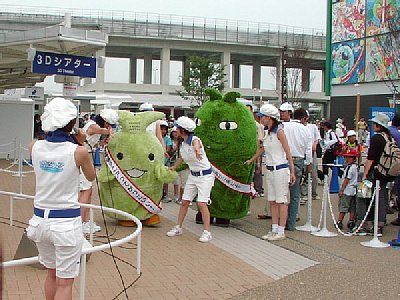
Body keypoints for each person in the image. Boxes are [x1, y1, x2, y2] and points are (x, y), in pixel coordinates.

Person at [26, 97, 96, 300]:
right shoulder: (79, 151)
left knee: (51, 273)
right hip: (65, 224)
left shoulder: (34, 146)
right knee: (65, 282)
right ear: (72, 123)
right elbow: (91, 177)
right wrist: (80, 143)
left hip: (39, 221)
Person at [246, 104, 295, 240]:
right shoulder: (268, 133)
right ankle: (274, 229)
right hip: (270, 170)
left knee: (281, 201)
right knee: (272, 201)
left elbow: (287, 151)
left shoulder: (280, 132)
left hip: (280, 169)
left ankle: (281, 231)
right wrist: (252, 160)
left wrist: (292, 171)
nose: (261, 119)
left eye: (262, 117)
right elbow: (262, 149)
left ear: (269, 117)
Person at [167, 116, 215, 243]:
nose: (175, 130)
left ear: (183, 130)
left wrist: (197, 151)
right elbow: (182, 158)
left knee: (201, 203)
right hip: (193, 175)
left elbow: (196, 145)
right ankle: (178, 227)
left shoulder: (195, 139)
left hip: (205, 176)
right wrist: (174, 167)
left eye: (177, 128)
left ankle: (207, 232)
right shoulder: (181, 143)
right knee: (185, 201)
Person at [80, 109, 119, 234]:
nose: (109, 127)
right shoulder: (93, 125)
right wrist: (109, 132)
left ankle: (85, 221)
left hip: (86, 159)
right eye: (108, 124)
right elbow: (101, 131)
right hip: (82, 159)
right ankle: (80, 223)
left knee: (88, 191)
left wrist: (102, 142)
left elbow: (94, 143)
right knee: (86, 191)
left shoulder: (94, 126)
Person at [279, 105, 312, 231]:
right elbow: (308, 151)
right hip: (298, 160)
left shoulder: (282, 127)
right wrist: (307, 164)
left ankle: (278, 222)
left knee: (281, 193)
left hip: (283, 159)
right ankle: (291, 223)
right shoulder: (305, 130)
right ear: (303, 118)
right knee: (294, 194)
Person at [361, 113, 392, 236]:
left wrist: (365, 173)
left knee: (370, 197)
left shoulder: (376, 138)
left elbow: (370, 158)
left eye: (374, 124)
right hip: (385, 171)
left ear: (379, 125)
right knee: (382, 195)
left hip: (376, 171)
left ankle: (372, 223)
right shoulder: (388, 137)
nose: (373, 125)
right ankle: (381, 222)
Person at [337, 149, 358, 230]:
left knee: (343, 207)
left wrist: (342, 190)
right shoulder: (355, 167)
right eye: (346, 157)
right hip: (353, 191)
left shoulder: (349, 168)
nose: (346, 159)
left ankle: (340, 221)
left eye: (349, 157)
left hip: (347, 191)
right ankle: (351, 221)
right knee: (352, 207)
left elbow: (346, 179)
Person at [160, 120, 173, 202]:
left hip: (165, 161)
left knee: (165, 179)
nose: (163, 131)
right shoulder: (155, 137)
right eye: (162, 129)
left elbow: (168, 149)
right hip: (157, 161)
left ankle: (165, 194)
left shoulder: (167, 138)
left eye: (165, 129)